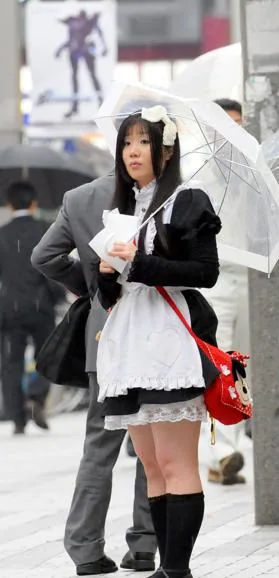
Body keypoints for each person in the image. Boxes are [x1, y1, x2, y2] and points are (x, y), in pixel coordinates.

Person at [96, 105, 221, 578]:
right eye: (127, 142)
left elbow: (205, 273)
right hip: (128, 342)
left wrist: (140, 265)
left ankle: (178, 569)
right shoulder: (125, 209)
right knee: (150, 464)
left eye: (143, 141)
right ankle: (166, 569)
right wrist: (108, 272)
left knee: (175, 461)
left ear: (166, 148)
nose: (132, 151)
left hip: (169, 341)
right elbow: (113, 291)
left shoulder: (187, 200)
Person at [31, 174, 157, 576]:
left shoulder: (81, 197)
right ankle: (145, 543)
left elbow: (43, 256)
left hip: (104, 329)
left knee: (99, 444)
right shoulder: (172, 194)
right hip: (158, 330)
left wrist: (89, 285)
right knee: (153, 442)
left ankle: (84, 547)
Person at [201, 98, 249, 485]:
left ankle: (235, 443)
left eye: (239, 124)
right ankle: (221, 450)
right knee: (221, 366)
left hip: (251, 281)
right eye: (225, 124)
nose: (234, 131)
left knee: (245, 365)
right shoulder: (194, 174)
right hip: (213, 284)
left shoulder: (254, 173)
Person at [0, 181, 64, 435]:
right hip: (41, 307)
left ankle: (17, 417)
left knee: (11, 362)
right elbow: (55, 267)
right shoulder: (45, 230)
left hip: (9, 308)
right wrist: (55, 297)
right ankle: (37, 397)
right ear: (34, 203)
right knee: (48, 355)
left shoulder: (2, 234)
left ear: (9, 204)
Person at [54, 9, 108, 119]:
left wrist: (103, 46)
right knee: (75, 77)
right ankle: (75, 107)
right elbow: (70, 39)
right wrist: (60, 49)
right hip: (75, 51)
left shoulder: (88, 22)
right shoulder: (73, 23)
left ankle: (101, 104)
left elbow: (98, 32)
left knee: (92, 76)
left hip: (85, 50)